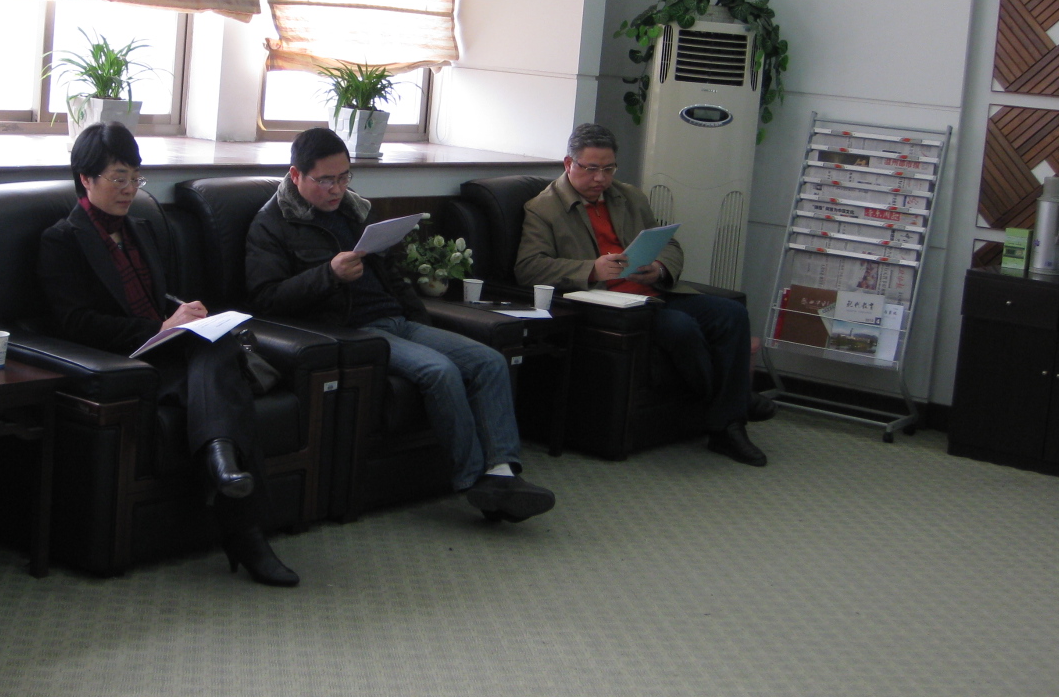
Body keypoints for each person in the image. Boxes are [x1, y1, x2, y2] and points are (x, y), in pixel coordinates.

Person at [245, 127, 556, 523]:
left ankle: (501, 474)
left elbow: (392, 276)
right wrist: (328, 274)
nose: (337, 189)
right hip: (355, 332)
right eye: (325, 180)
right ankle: (474, 482)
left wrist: (420, 321)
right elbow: (266, 299)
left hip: (398, 320)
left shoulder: (356, 209)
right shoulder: (272, 224)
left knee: (489, 361)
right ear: (296, 175)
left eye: (344, 177)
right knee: (439, 371)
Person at [38, 122, 299, 587]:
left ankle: (223, 464)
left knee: (217, 344)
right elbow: (74, 323)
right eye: (118, 178)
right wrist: (157, 329)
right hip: (128, 361)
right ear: (86, 179)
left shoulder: (141, 229)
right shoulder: (62, 240)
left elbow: (154, 296)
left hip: (171, 351)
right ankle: (243, 524)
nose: (129, 189)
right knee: (224, 379)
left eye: (135, 178)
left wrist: (183, 312)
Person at [515, 122, 773, 467]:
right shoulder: (542, 208)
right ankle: (732, 417)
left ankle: (730, 413)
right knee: (679, 327)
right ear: (568, 164)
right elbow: (529, 268)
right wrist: (591, 269)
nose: (600, 179)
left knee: (731, 313)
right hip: (611, 306)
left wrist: (660, 268)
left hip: (654, 292)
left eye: (609, 169)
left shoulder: (630, 197)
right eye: (591, 169)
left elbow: (669, 245)